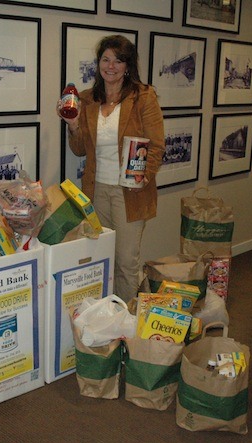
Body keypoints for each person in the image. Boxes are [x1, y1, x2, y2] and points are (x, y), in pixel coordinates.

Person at [57, 35, 164, 303]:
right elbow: (80, 149)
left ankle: (126, 323)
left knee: (126, 262)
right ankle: (105, 315)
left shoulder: (143, 97)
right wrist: (72, 124)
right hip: (97, 190)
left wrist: (139, 178)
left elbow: (157, 147)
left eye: (118, 60)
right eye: (106, 59)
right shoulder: (87, 99)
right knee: (101, 257)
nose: (111, 65)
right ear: (99, 64)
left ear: (128, 66)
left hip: (131, 192)